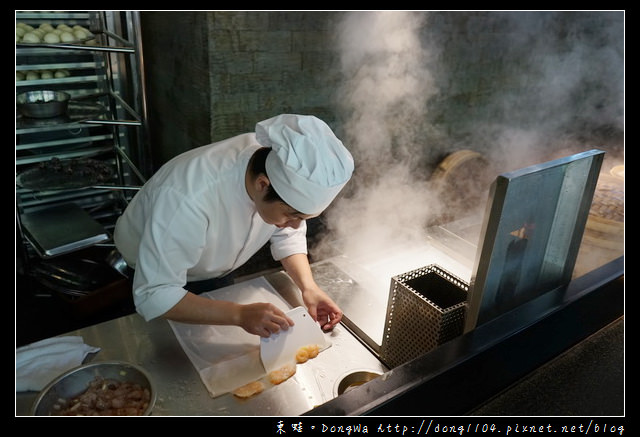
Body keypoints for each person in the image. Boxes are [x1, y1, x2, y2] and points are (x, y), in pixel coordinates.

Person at [114, 114, 354, 338]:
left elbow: (287, 236)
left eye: (303, 218)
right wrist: (239, 315)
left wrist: (308, 287)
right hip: (150, 273)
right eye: (292, 215)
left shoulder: (277, 168)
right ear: (263, 184)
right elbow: (155, 294)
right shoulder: (188, 197)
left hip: (213, 270)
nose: (294, 226)